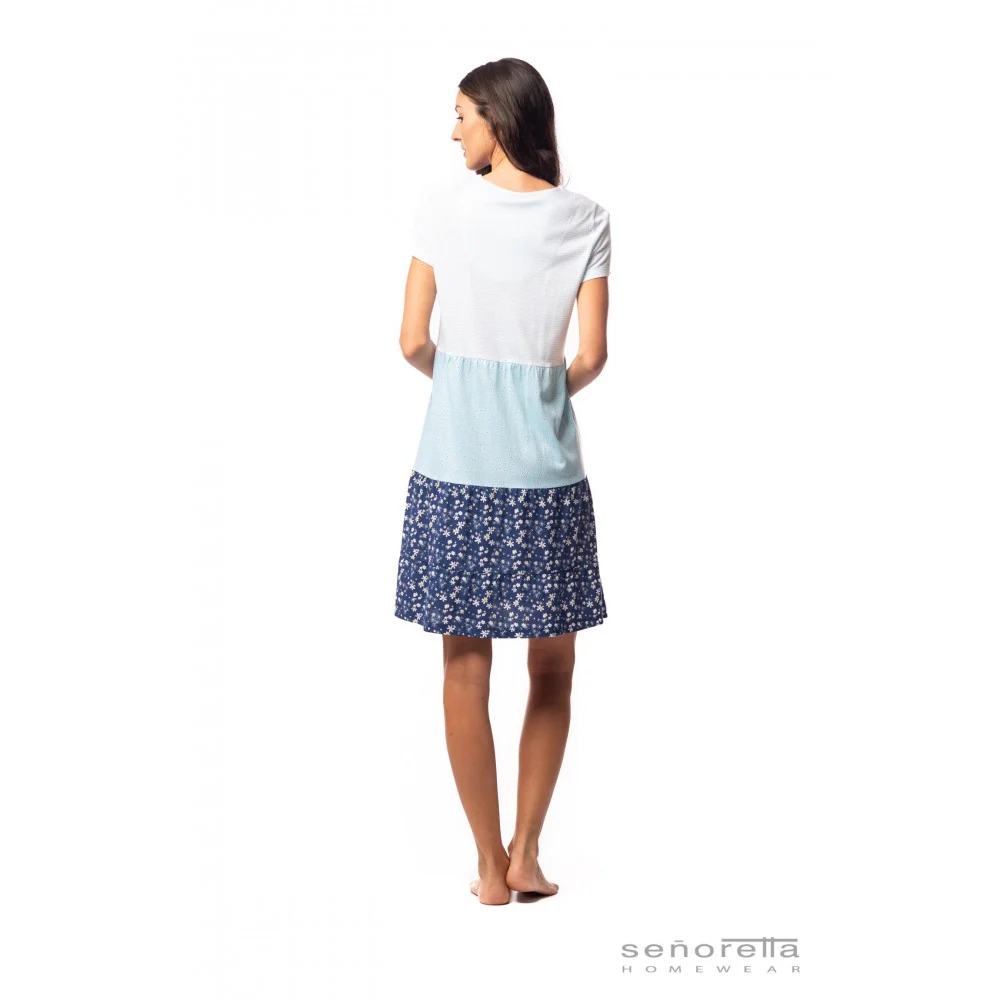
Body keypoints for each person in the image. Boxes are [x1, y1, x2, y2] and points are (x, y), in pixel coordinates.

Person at [394, 58, 611, 905]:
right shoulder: (586, 219)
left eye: (461, 116)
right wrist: (536, 395)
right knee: (552, 668)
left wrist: (466, 391)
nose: (453, 132)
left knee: (464, 668)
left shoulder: (441, 210)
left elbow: (413, 342)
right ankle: (527, 854)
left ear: (497, 119)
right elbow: (591, 356)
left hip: (454, 471)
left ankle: (488, 868)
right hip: (548, 480)